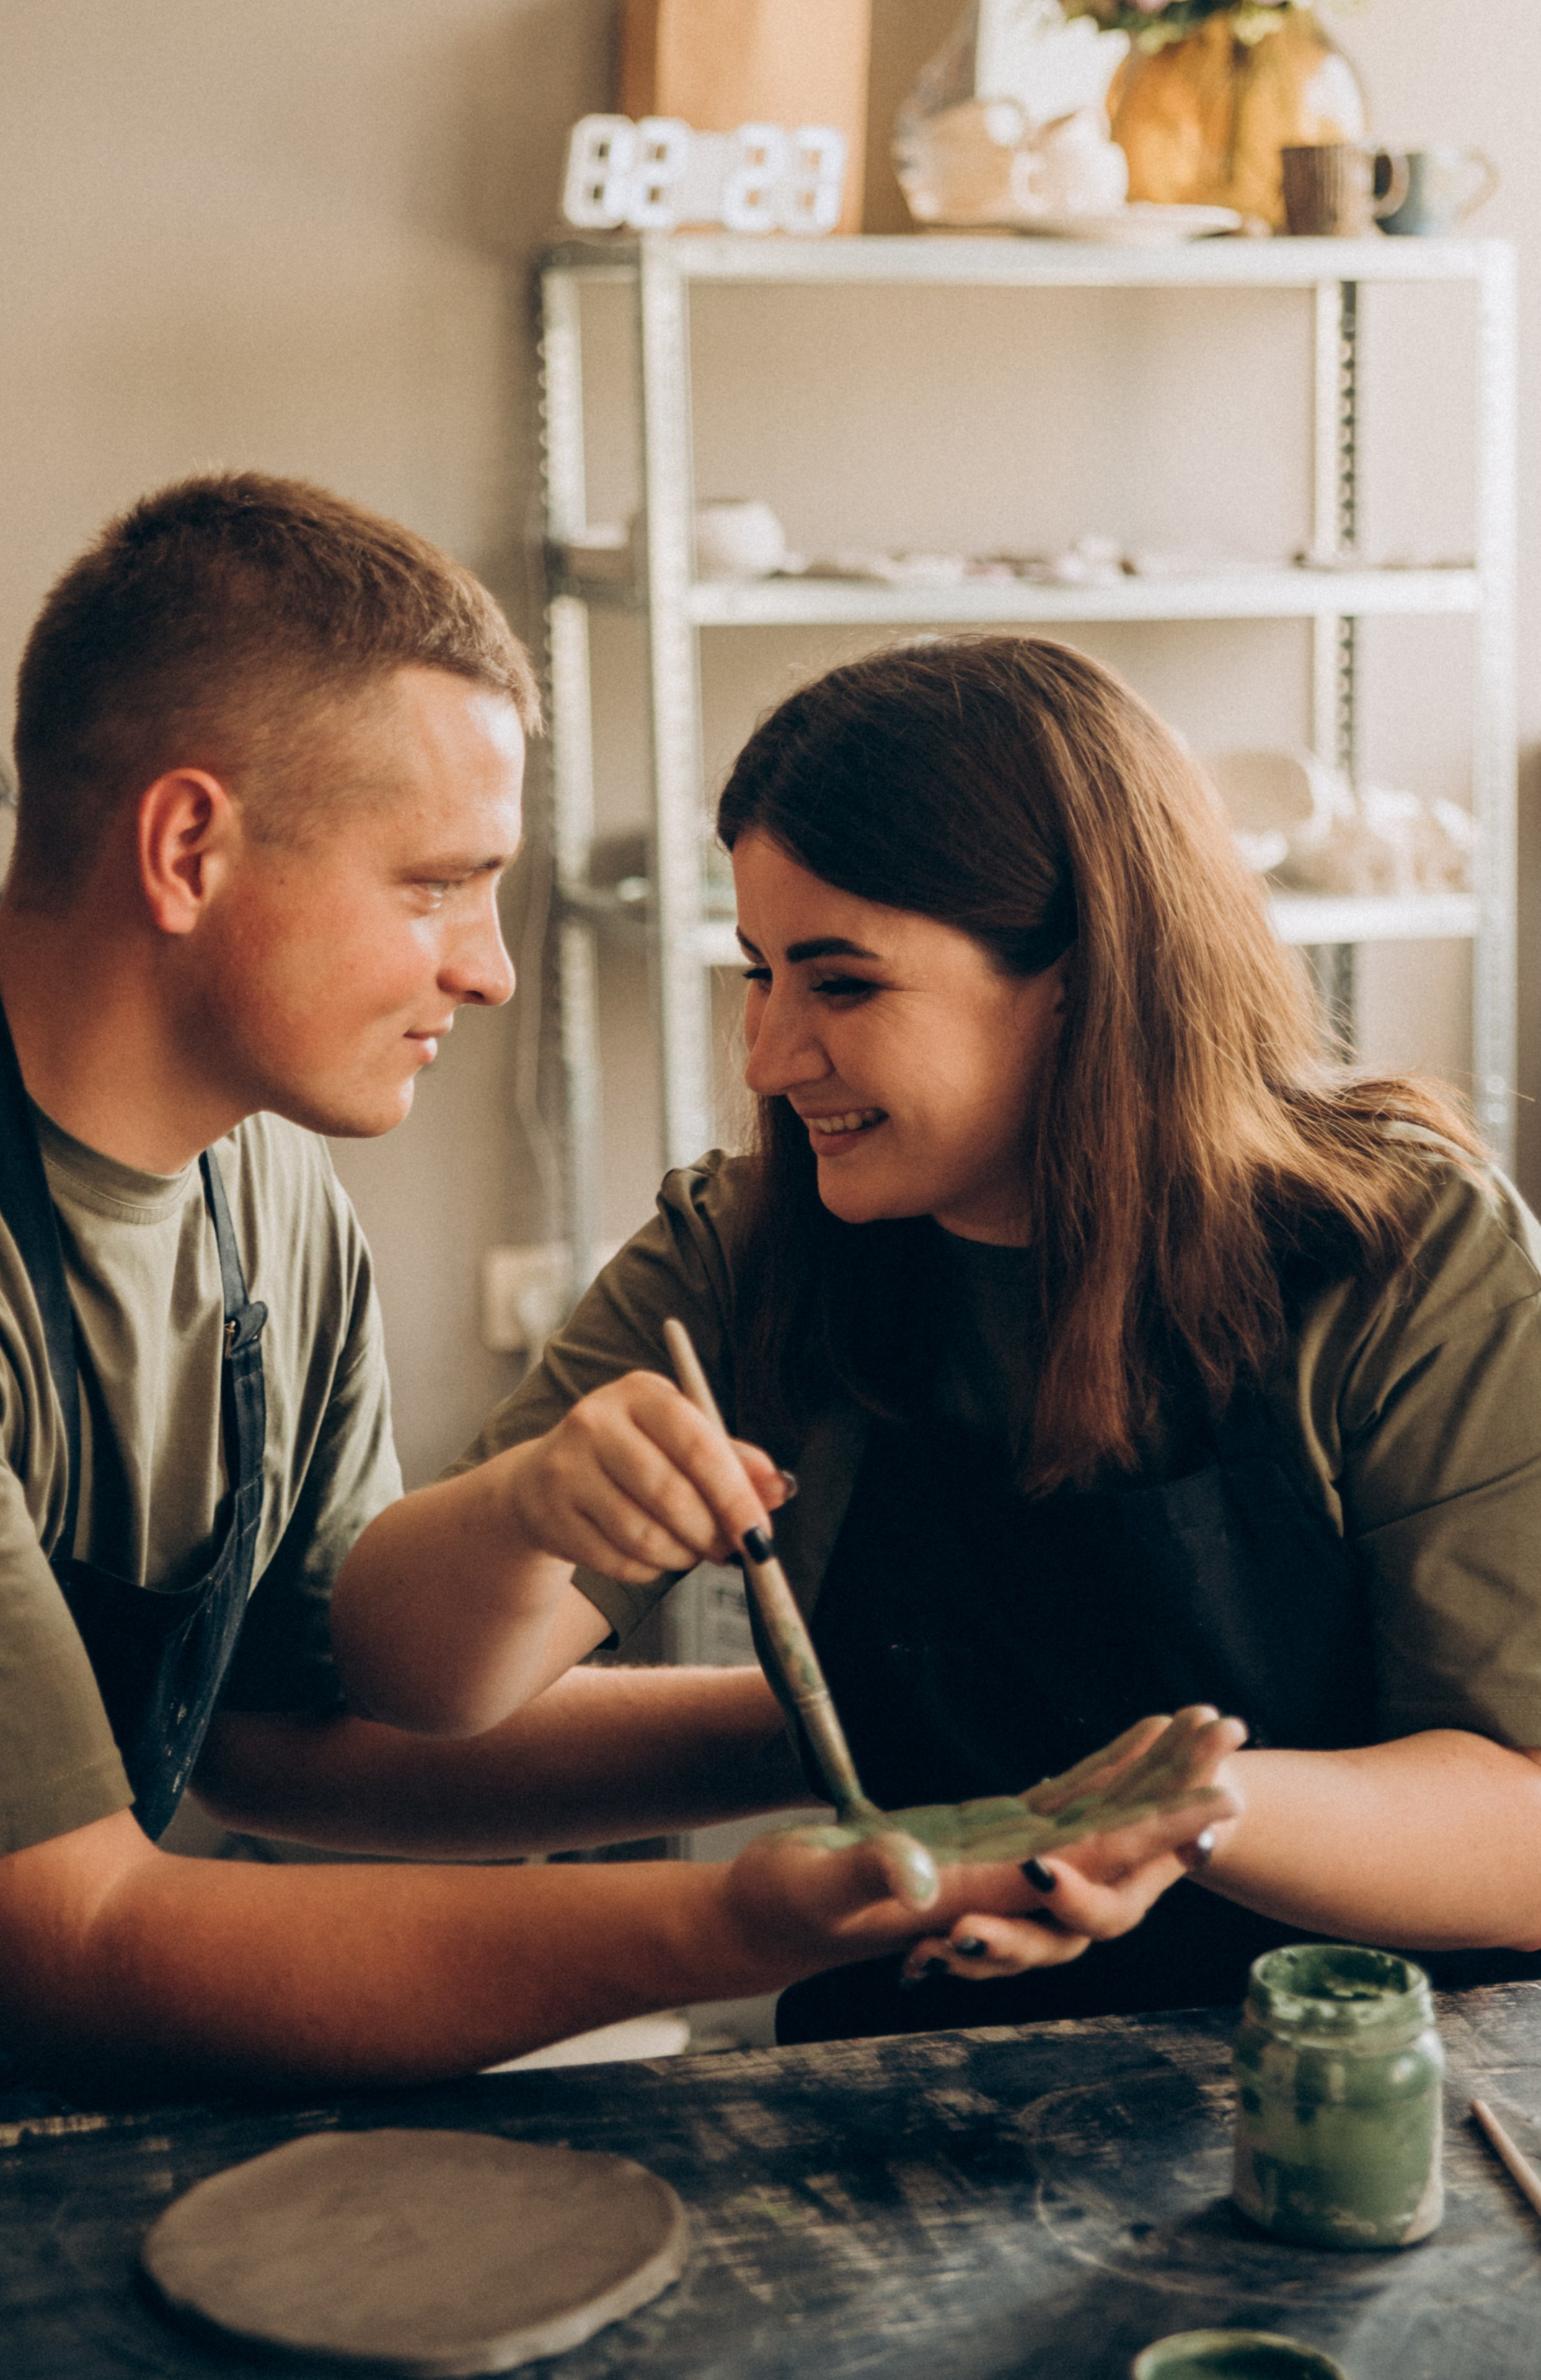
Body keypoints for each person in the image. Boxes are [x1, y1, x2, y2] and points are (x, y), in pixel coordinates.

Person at [0, 485, 1235, 2148]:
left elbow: (296, 1739)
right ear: (186, 848)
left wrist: (906, 1727)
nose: (489, 968)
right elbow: (83, 1951)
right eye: (439, 884)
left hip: (36, 2108)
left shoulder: (263, 1185)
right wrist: (732, 1920)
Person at [332, 631, 1541, 2040]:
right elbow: (410, 1685)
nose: (768, 1057)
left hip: (1338, 2080)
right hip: (910, 2076)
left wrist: (1180, 1814)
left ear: (1082, 976)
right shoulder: (747, 1247)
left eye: (840, 983)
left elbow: (1518, 1830)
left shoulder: (1397, 1252)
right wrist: (521, 1509)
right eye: (756, 971)